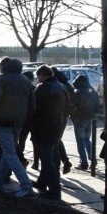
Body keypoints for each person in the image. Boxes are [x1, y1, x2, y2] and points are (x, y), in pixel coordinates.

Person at [0, 57, 35, 197]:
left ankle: (26, 185)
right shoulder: (25, 80)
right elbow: (32, 103)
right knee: (7, 152)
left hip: (4, 121)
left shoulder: (0, 79)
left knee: (10, 154)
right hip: (19, 122)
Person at [31, 65, 67, 200]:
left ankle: (54, 191)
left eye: (38, 76)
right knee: (51, 157)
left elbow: (35, 108)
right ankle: (42, 182)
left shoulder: (42, 88)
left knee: (47, 160)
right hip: (57, 126)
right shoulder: (61, 86)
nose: (37, 79)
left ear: (42, 75)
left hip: (44, 127)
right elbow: (68, 107)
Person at [70, 74, 100, 170]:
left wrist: (73, 117)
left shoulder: (76, 92)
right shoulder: (93, 92)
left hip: (79, 119)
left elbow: (72, 107)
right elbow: (97, 107)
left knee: (80, 141)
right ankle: (93, 160)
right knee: (87, 140)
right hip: (90, 119)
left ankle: (84, 163)